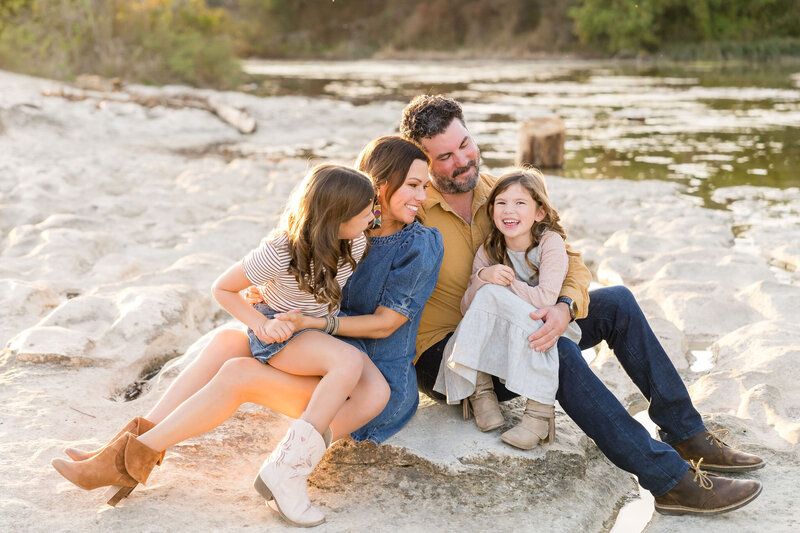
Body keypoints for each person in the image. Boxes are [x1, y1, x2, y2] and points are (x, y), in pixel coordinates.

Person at [400, 94, 764, 516]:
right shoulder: (411, 209)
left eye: (465, 144)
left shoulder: (497, 192)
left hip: (518, 319)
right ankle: (669, 482)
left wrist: (565, 307)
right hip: (450, 355)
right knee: (556, 347)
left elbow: (568, 259)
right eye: (445, 156)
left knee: (618, 303)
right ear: (422, 162)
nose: (463, 160)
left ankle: (687, 434)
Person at [52, 163, 392, 528]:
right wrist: (261, 323)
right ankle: (287, 471)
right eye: (364, 213)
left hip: (309, 333)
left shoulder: (353, 240)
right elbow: (222, 287)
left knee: (227, 343)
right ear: (333, 218)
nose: (373, 218)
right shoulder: (280, 250)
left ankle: (121, 455)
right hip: (279, 335)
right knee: (348, 361)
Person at [267, 135, 444, 445]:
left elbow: (385, 324)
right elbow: (297, 274)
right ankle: (151, 436)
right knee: (231, 345)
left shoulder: (419, 246)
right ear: (380, 184)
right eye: (413, 185)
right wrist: (266, 293)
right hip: (326, 365)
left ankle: (287, 463)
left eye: (424, 187)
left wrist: (314, 323)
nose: (422, 197)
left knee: (242, 372)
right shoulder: (346, 230)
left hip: (375, 389)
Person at [434, 168, 580, 450]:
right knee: (484, 295)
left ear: (539, 212)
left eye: (520, 203)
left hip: (545, 329)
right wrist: (482, 278)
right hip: (506, 336)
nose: (508, 210)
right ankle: (481, 390)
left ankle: (539, 414)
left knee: (491, 294)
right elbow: (468, 308)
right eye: (501, 203)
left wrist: (502, 287)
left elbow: (546, 300)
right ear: (491, 210)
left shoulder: (550, 243)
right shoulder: (489, 250)